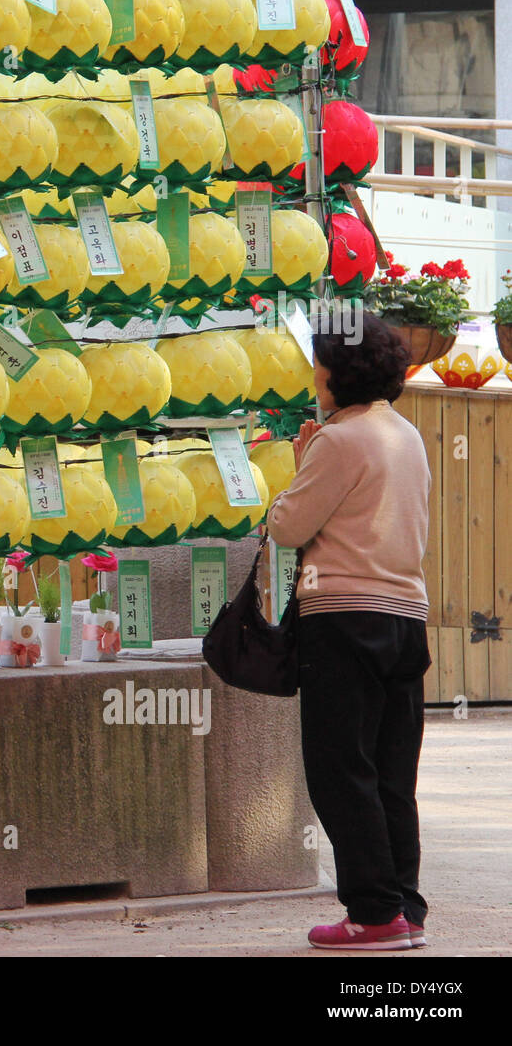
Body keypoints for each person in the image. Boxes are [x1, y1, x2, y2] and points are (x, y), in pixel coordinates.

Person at [265, 311, 431, 952]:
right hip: (405, 619)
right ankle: (404, 910)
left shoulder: (338, 440)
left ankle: (372, 912)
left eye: (320, 364)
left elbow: (286, 525)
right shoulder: (406, 436)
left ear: (337, 372)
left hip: (343, 619)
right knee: (393, 771)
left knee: (341, 769)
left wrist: (303, 461)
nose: (315, 376)